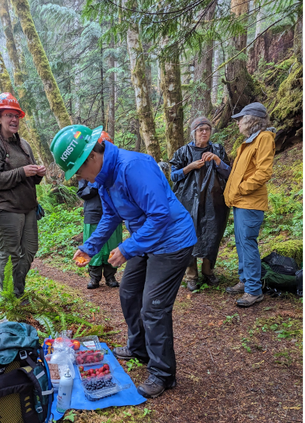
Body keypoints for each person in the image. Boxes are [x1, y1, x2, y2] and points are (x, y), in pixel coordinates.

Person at [50, 124, 197, 399]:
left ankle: (163, 373)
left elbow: (160, 215)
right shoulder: (104, 180)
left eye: (79, 171)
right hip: (146, 238)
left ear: (92, 157)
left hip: (172, 240)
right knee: (129, 292)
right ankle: (139, 347)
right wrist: (89, 247)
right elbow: (111, 217)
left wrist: (128, 248)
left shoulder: (133, 167)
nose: (81, 178)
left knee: (153, 306)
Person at [0, 92, 46, 300]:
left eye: (16, 115)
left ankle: (17, 289)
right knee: (10, 254)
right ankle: (11, 296)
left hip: (26, 208)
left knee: (30, 249)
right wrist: (22, 172)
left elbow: (28, 178)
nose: (14, 119)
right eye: (8, 115)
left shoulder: (23, 144)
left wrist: (37, 174)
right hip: (3, 208)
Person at [223, 102, 276, 307]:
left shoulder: (263, 138)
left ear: (251, 120)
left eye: (240, 119)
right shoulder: (249, 142)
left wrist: (241, 189)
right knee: (240, 242)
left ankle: (254, 290)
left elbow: (264, 172)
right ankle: (245, 280)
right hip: (241, 201)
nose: (237, 123)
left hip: (250, 202)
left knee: (248, 243)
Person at [170, 116, 231, 291]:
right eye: (200, 130)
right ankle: (191, 275)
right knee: (189, 235)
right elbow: (173, 176)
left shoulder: (217, 149)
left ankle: (208, 271)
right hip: (188, 201)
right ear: (194, 132)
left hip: (215, 201)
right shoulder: (183, 152)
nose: (204, 132)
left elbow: (229, 174)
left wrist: (218, 161)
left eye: (207, 129)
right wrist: (189, 167)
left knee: (212, 233)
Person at [76, 131, 121, 289]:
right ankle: (94, 278)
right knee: (95, 246)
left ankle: (110, 276)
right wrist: (96, 183)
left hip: (112, 214)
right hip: (93, 214)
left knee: (112, 245)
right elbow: (82, 193)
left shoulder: (117, 169)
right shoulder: (85, 172)